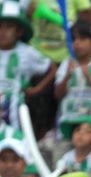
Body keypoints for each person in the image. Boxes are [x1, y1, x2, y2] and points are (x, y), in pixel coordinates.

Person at [0, 0, 53, 132]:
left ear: (19, 31)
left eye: (9, 27)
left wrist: (36, 90)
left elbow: (52, 68)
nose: (3, 32)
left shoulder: (27, 52)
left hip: (15, 111)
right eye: (0, 26)